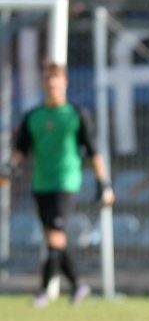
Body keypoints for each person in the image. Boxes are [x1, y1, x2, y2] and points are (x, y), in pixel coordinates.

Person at [0, 62, 114, 307]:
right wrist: (8, 169)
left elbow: (93, 151)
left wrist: (104, 183)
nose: (52, 88)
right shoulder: (33, 117)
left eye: (56, 84)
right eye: (48, 84)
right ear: (43, 85)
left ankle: (43, 291)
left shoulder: (76, 114)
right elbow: (20, 150)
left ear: (65, 84)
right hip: (41, 183)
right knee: (55, 239)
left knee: (55, 235)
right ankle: (77, 285)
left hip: (66, 182)